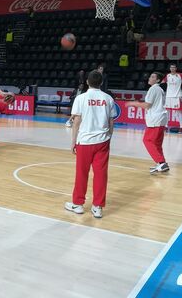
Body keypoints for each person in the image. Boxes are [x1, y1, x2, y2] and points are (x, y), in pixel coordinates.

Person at [65, 70, 116, 219]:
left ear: (87, 82)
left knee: (81, 173)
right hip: (102, 141)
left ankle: (78, 204)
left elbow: (76, 122)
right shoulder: (108, 98)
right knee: (101, 175)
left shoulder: (81, 98)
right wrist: (108, 138)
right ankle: (97, 207)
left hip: (85, 141)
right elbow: (111, 122)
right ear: (101, 82)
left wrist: (73, 142)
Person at [127, 72, 169, 174]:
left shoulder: (153, 88)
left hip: (155, 119)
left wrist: (134, 103)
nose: (149, 78)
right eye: (150, 76)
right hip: (161, 118)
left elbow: (147, 105)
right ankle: (162, 164)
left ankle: (161, 162)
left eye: (153, 77)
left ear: (158, 80)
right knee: (157, 144)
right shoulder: (160, 89)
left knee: (148, 141)